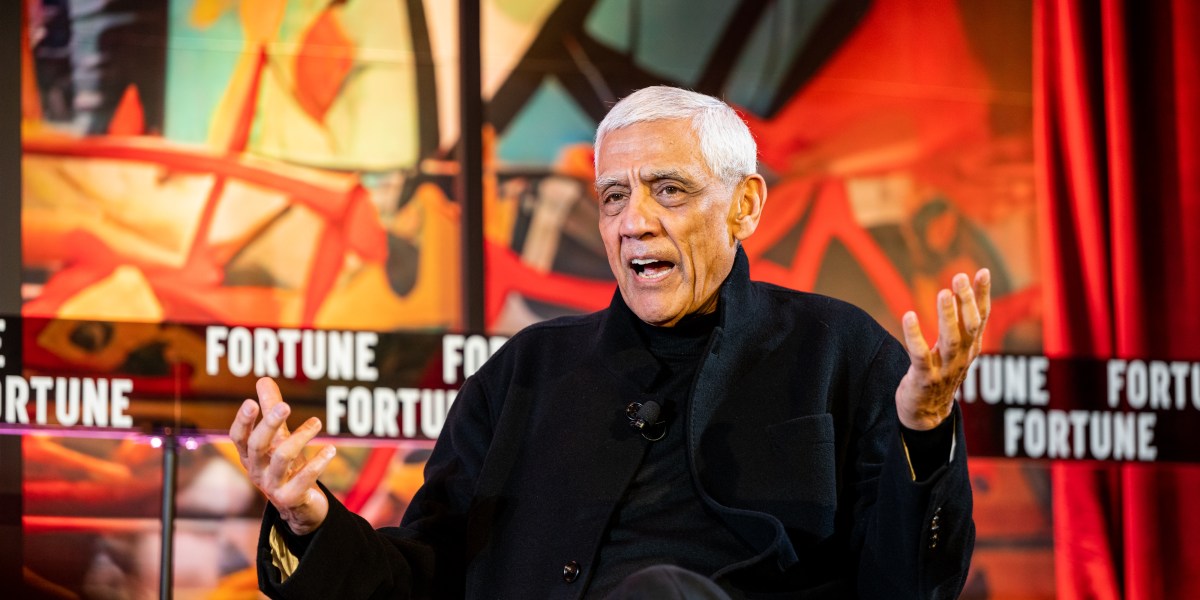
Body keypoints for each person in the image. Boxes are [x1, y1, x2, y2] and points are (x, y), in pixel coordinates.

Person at [229, 86, 988, 599]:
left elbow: (913, 582)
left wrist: (925, 430)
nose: (634, 223)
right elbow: (425, 574)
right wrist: (310, 521)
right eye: (614, 197)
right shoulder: (526, 372)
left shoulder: (840, 353)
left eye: (669, 190)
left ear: (745, 204)